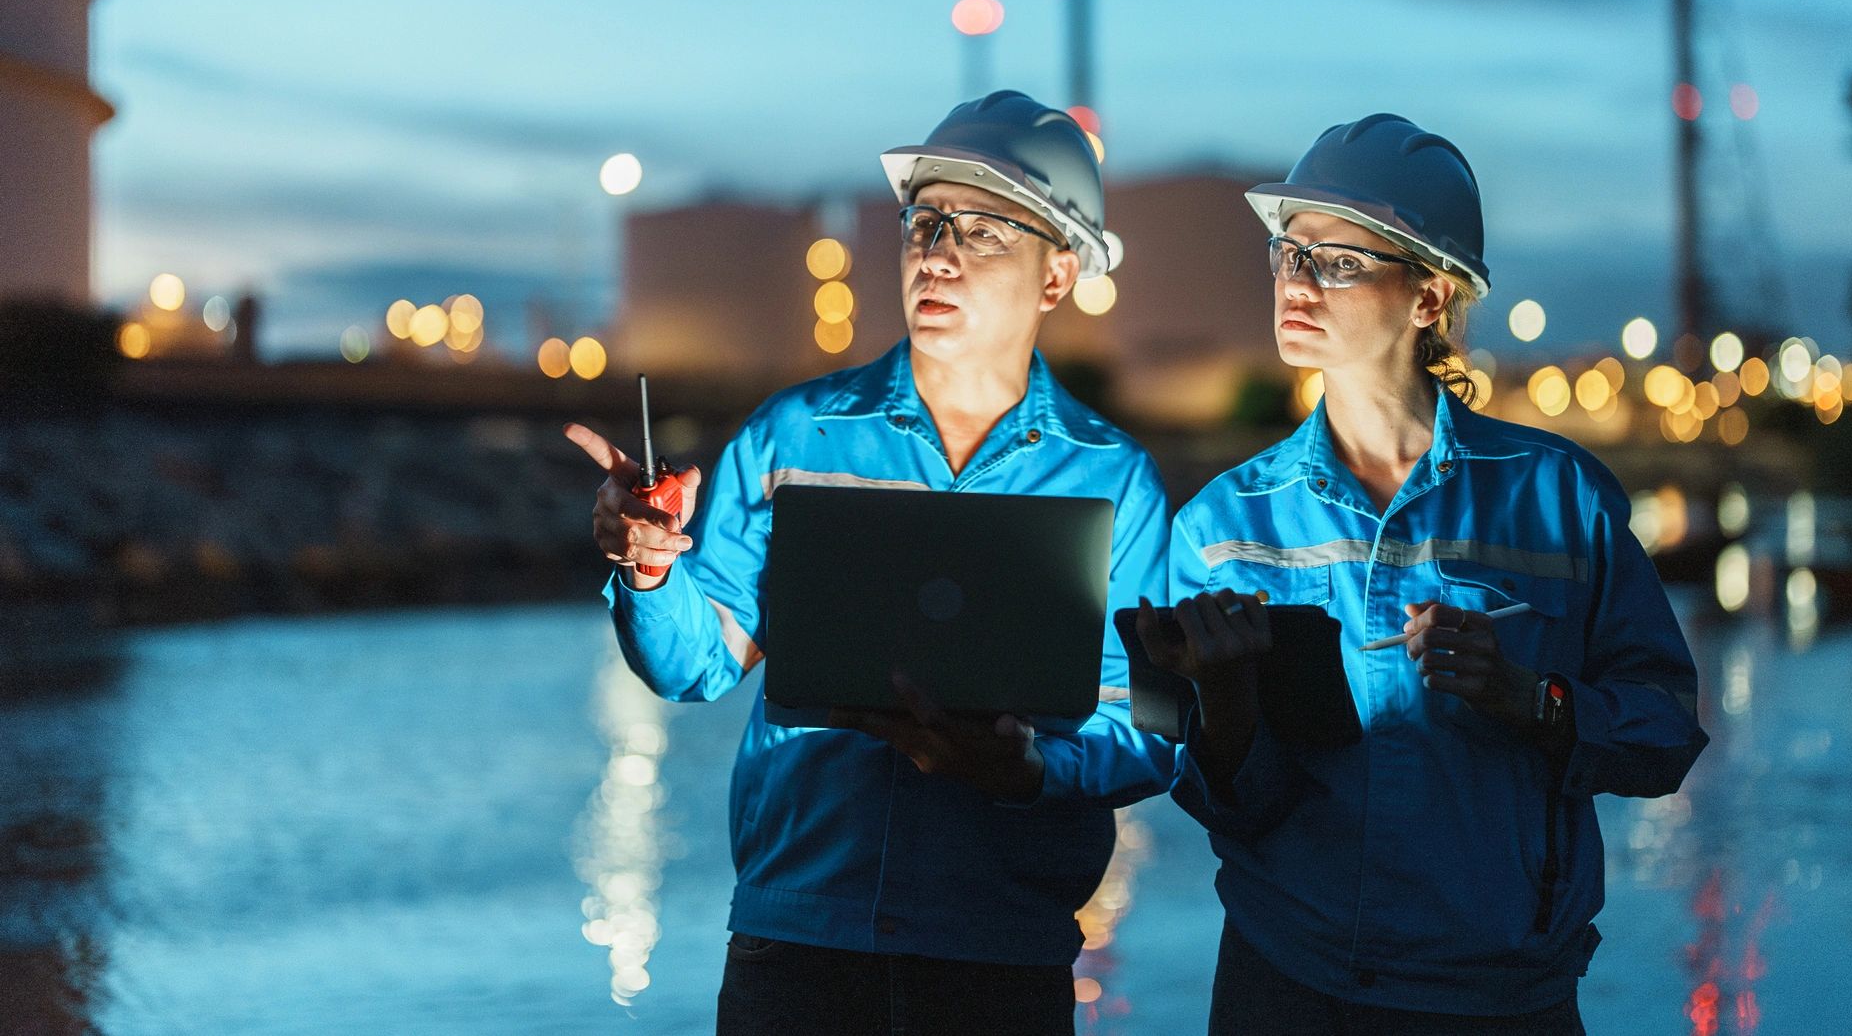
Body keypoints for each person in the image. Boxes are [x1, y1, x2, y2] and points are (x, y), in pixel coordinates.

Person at [567, 92, 1174, 1036]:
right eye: (924, 222)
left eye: (980, 231)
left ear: (1057, 275)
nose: (937, 252)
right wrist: (650, 569)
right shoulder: (791, 436)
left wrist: (1022, 769)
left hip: (999, 953)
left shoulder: (1110, 481)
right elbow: (698, 661)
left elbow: (1148, 726)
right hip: (801, 945)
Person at [1137, 114, 1708, 1035]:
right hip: (1286, 986)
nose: (1294, 278)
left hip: (1495, 1002)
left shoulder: (1557, 499)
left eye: (1337, 259)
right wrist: (1227, 702)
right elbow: (1228, 804)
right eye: (1287, 251)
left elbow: (1664, 731)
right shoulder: (1221, 524)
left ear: (1430, 295)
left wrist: (1527, 698)